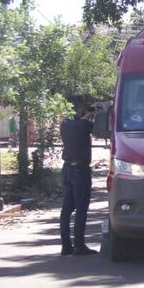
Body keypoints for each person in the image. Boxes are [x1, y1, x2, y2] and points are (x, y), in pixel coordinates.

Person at [59, 97, 96, 256]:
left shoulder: (64, 124)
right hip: (81, 169)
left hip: (67, 168)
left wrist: (85, 117)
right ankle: (79, 245)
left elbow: (78, 125)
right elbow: (97, 129)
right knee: (81, 208)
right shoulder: (84, 124)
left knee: (66, 209)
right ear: (80, 108)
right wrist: (91, 116)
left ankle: (66, 245)